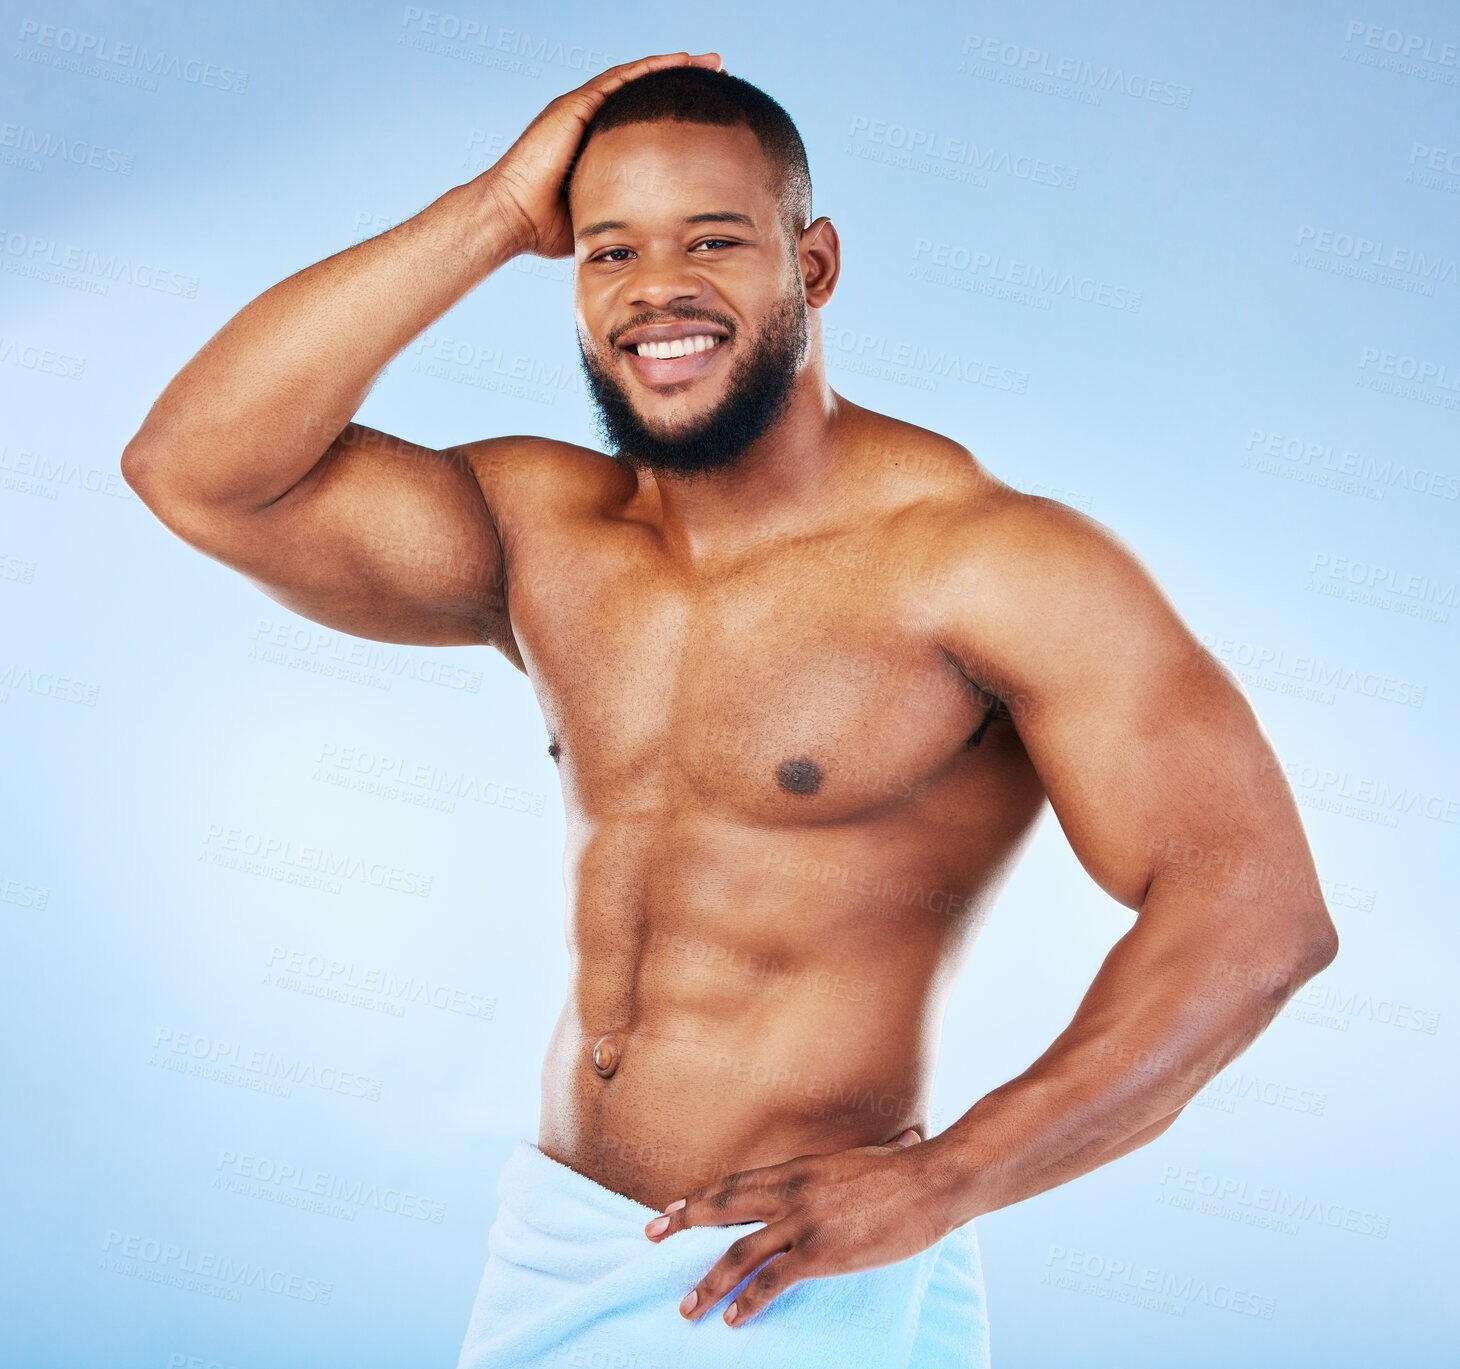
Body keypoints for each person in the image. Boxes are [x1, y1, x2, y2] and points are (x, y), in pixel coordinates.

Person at [121, 50, 1339, 1368]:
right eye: (608, 253)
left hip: (783, 1271)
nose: (657, 290)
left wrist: (947, 1181)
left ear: (811, 266)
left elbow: (1251, 901)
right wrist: (490, 209)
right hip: (558, 1244)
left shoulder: (985, 562)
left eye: (712, 241)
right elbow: (199, 469)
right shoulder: (552, 534)